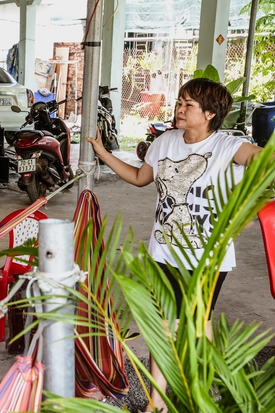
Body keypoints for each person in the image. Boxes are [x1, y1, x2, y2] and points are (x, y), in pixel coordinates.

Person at [87, 77, 261, 413]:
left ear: (210, 113)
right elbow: (140, 178)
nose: (179, 110)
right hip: (164, 249)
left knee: (198, 324)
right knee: (162, 324)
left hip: (208, 256)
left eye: (188, 105)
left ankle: (205, 392)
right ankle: (158, 403)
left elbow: (266, 165)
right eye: (179, 103)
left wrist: (250, 206)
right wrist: (104, 155)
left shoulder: (227, 146)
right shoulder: (166, 141)